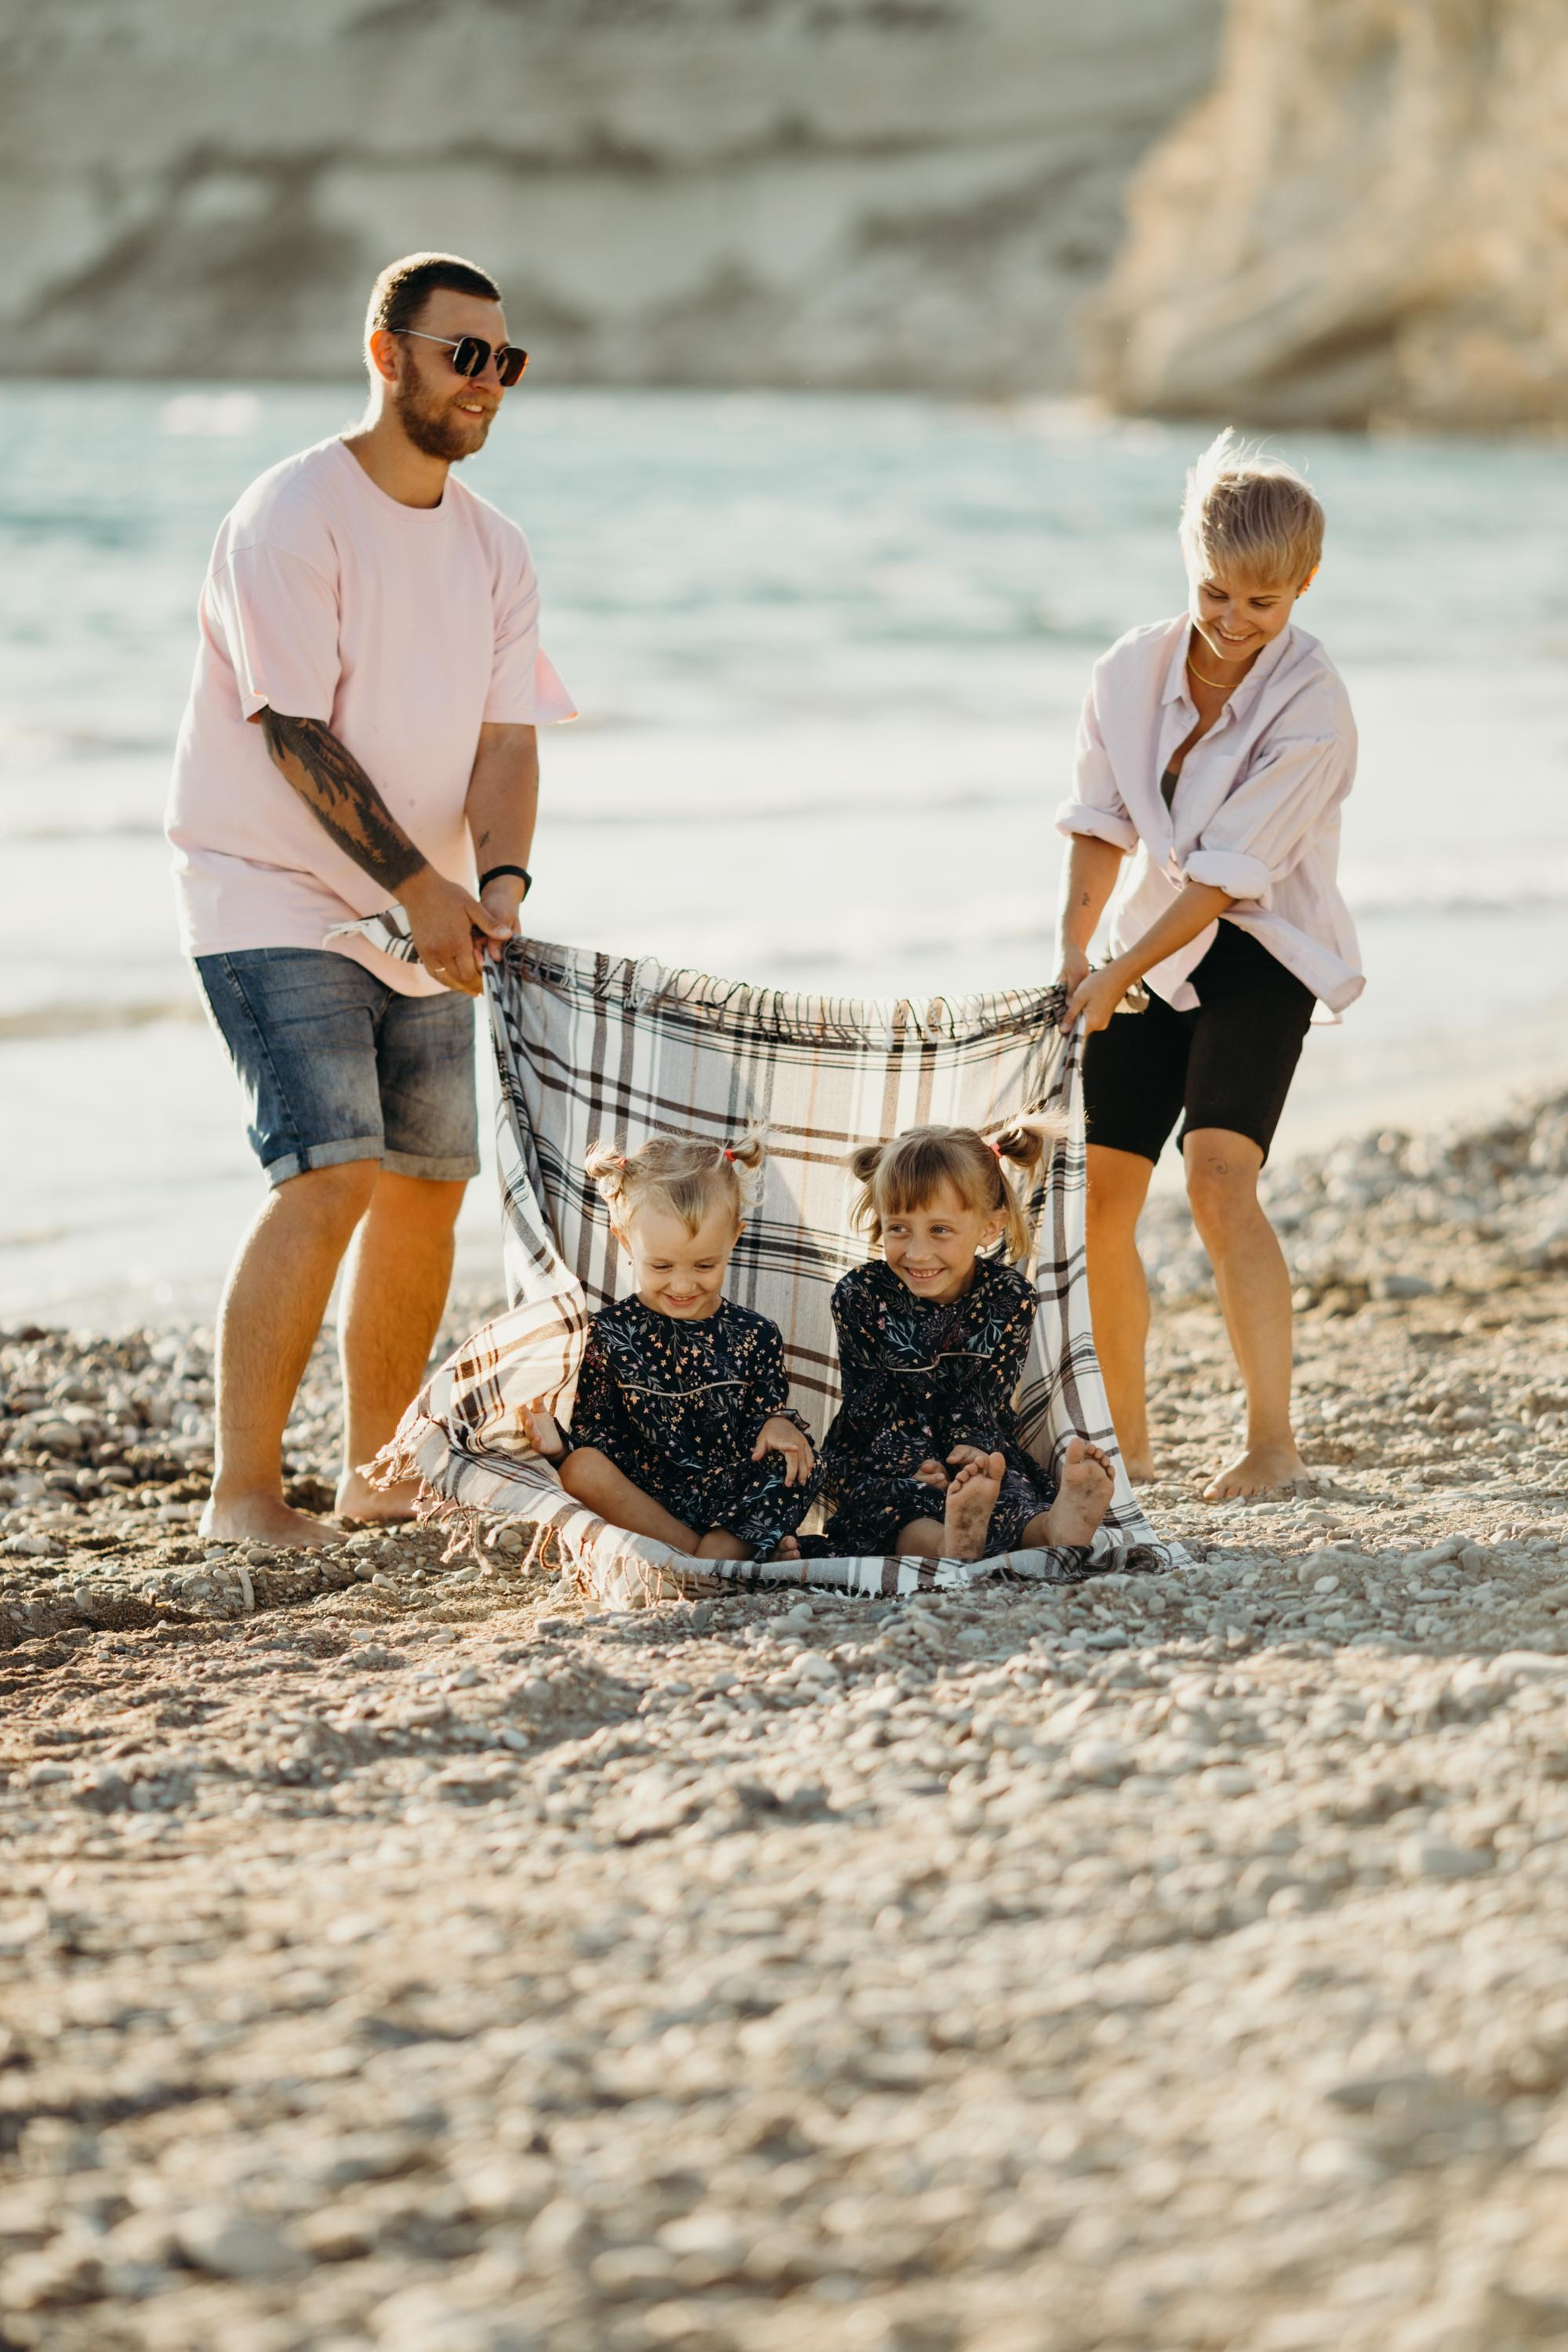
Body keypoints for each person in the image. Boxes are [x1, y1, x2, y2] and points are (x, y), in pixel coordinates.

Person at [166, 250, 575, 1548]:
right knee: (329, 1172)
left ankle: (381, 1476)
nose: (488, 384)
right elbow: (291, 731)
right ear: (386, 353)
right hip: (271, 893)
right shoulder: (291, 516)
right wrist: (420, 884)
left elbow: (507, 740)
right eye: (465, 354)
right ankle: (244, 1497)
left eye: (505, 361)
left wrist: (494, 885)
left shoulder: (494, 546)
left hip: (434, 916)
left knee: (424, 1184)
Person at [1054, 430, 1362, 1503]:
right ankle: (1126, 1454)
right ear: (1190, 563)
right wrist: (1074, 954)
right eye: (1216, 593)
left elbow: (1228, 880)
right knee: (1099, 1194)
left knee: (1220, 1178)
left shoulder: (1314, 706)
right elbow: (1099, 821)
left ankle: (1273, 1446)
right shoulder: (1127, 670)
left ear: (1304, 588)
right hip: (1146, 938)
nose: (1234, 622)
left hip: (1259, 945)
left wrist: (1117, 965)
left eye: (1263, 605)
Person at [818, 1124, 1115, 1563]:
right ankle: (947, 1544)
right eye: (899, 1228)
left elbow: (985, 1396)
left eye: (939, 1230)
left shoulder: (1009, 1297)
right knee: (890, 1506)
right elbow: (868, 1399)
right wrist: (913, 1462)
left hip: (976, 1444)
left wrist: (973, 1451)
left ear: (989, 1228)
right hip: (882, 1447)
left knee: (1005, 1488)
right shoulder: (860, 1294)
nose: (917, 1253)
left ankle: (1052, 1528)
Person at [524, 1134, 822, 1563]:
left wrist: (776, 1424)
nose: (683, 1285)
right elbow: (598, 1434)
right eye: (661, 1266)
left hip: (730, 1502)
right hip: (648, 1502)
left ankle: (704, 1561)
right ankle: (720, 1559)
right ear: (625, 1240)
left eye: (705, 1265)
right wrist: (557, 1448)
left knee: (803, 1459)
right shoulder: (605, 1335)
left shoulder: (757, 1334)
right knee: (580, 1468)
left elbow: (762, 1416)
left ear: (734, 1239)